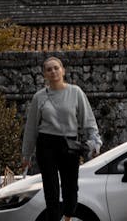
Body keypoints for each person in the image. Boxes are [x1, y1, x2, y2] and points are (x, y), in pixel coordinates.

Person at [21, 56, 101, 221]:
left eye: (56, 68)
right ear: (45, 74)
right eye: (49, 69)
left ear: (63, 70)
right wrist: (26, 155)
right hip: (46, 144)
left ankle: (68, 217)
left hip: (69, 144)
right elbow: (31, 128)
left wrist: (95, 143)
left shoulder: (75, 92)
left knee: (70, 188)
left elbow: (88, 121)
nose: (53, 71)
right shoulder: (39, 97)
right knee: (51, 189)